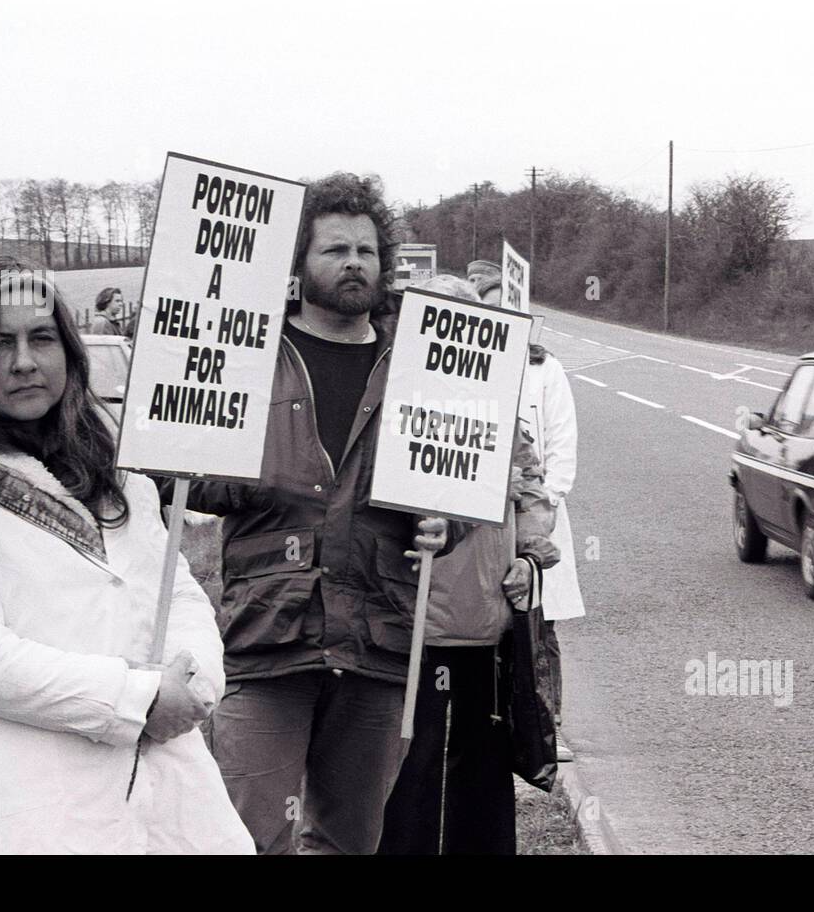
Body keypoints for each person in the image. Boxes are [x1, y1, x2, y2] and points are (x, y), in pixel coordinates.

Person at [0, 255, 252, 854]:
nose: (24, 361)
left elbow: (176, 593)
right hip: (22, 806)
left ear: (68, 353)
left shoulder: (118, 479)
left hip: (167, 793)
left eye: (41, 338)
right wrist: (137, 700)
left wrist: (192, 684)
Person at [158, 173, 453, 855]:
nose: (354, 263)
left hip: (378, 641)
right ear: (298, 266)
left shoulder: (414, 368)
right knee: (248, 838)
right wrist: (189, 460)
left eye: (366, 251)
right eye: (334, 250)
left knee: (350, 840)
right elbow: (192, 483)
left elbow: (448, 485)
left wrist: (448, 523)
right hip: (269, 641)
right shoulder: (247, 357)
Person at [377, 274, 558, 855]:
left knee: (482, 766)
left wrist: (531, 557)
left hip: (486, 622)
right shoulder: (390, 409)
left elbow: (534, 494)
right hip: (413, 625)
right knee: (412, 766)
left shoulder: (502, 418)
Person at [521, 338, 585, 761]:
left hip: (535, 511)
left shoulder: (543, 369)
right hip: (479, 521)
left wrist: (547, 500)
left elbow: (562, 441)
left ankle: (549, 729)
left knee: (540, 624)